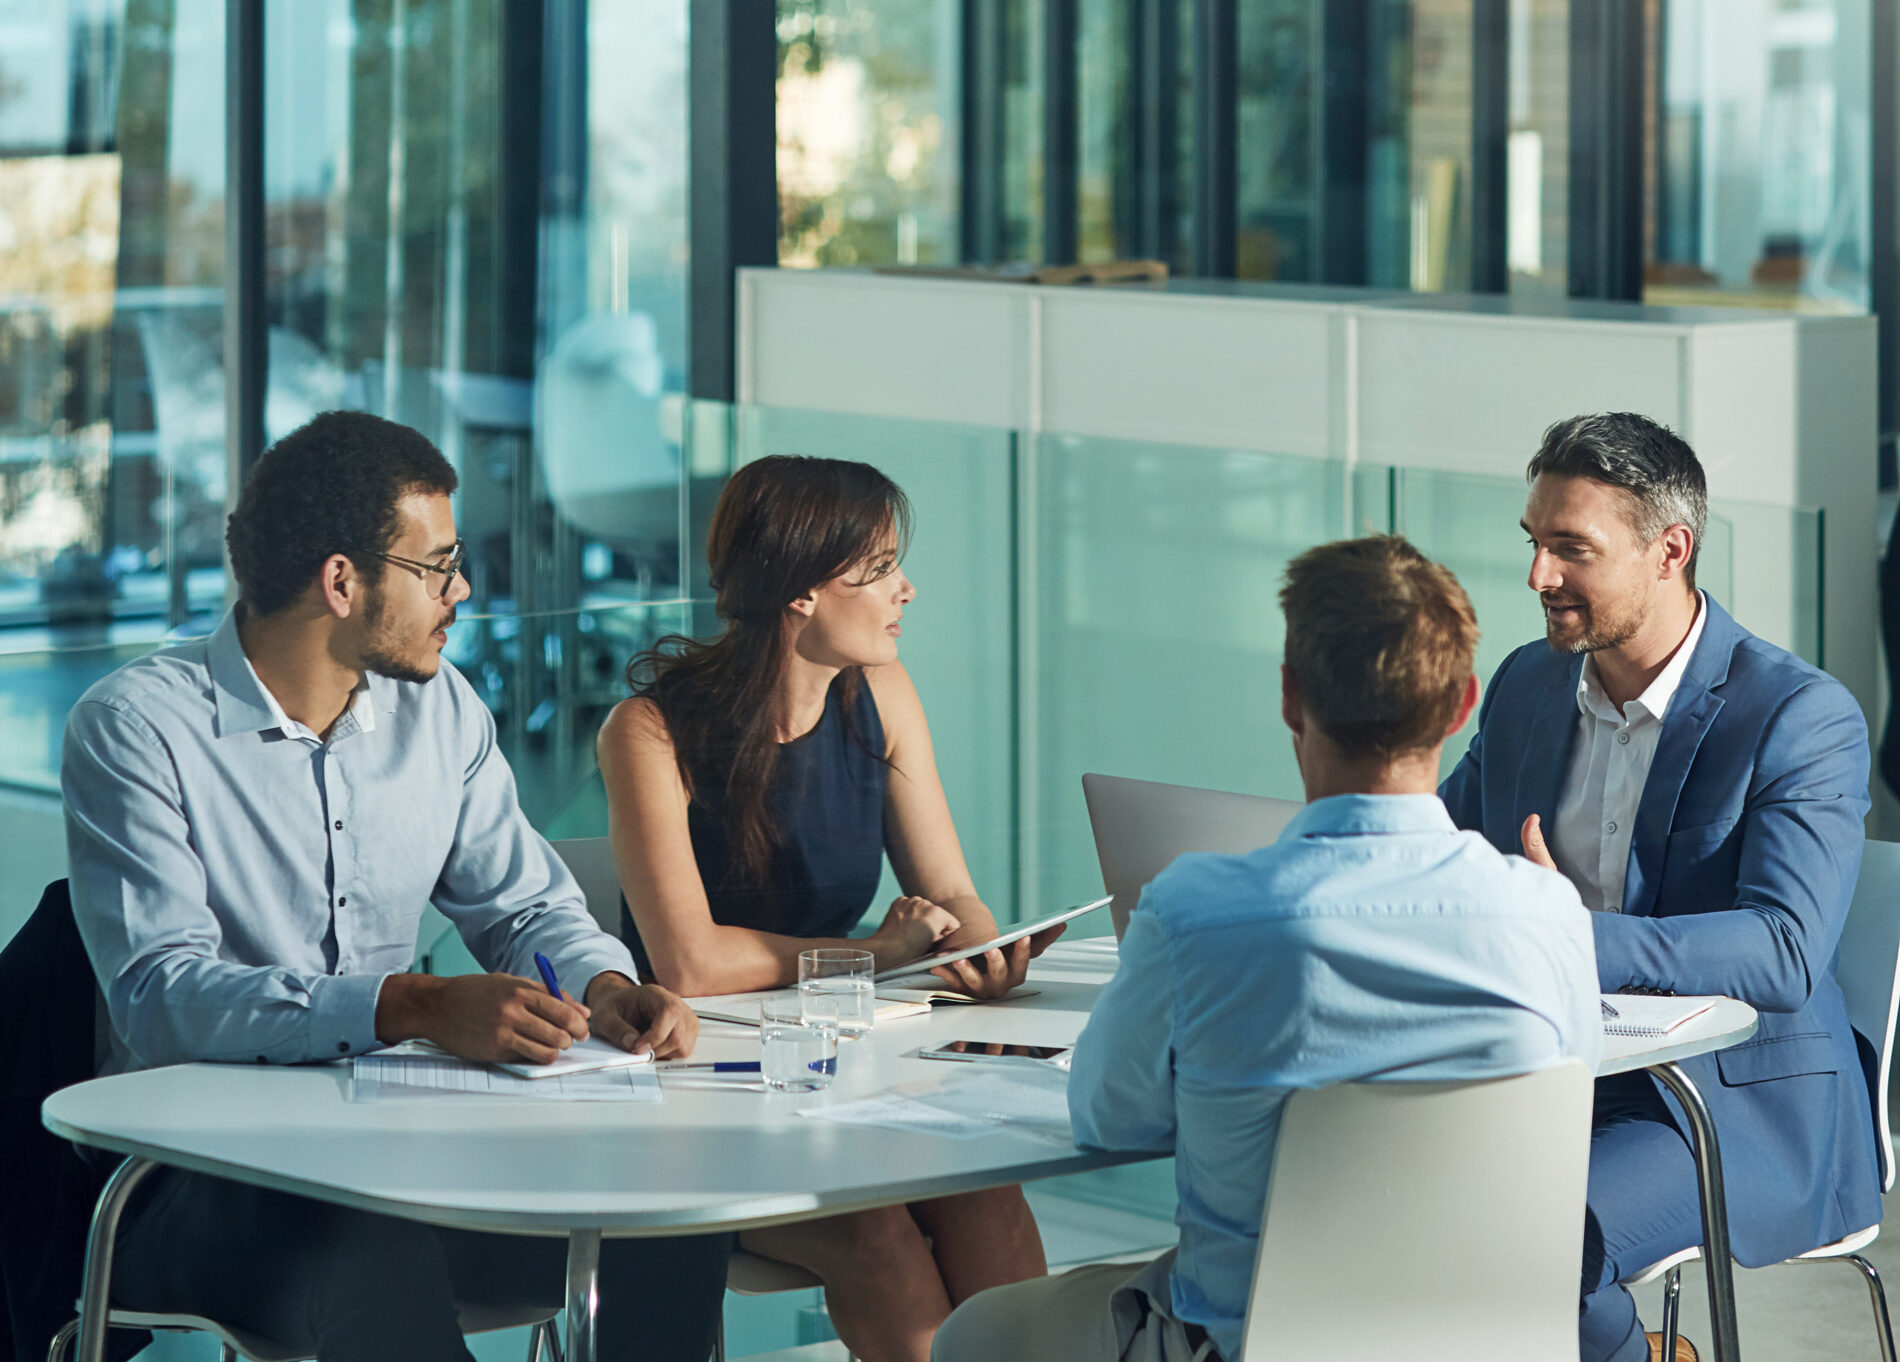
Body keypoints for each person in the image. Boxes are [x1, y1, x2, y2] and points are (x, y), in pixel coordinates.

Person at [61, 411, 731, 1362]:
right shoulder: (136, 728)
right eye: (438, 566)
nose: (461, 591)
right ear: (342, 581)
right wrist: (409, 1005)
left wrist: (605, 985)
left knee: (669, 1212)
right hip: (203, 1173)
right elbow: (160, 996)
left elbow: (525, 908)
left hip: (404, 1142)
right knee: (368, 1246)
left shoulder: (440, 708)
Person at [932, 535, 1602, 1362]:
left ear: (1291, 698)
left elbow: (1108, 1119)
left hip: (1249, 1344)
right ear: (1464, 704)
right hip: (1489, 1343)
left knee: (973, 1333)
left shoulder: (1194, 911)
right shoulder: (1548, 912)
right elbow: (1566, 1100)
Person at [597, 454, 1058, 1362]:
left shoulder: (881, 694)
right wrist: (876, 955)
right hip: (696, 1095)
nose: (905, 589)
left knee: (987, 1196)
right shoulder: (647, 731)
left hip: (840, 1068)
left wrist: (977, 950)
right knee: (875, 1234)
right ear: (801, 593)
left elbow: (951, 891)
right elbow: (690, 964)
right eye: (878, 569)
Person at [1438, 412, 1879, 1362]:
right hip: (1547, 1071)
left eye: (1572, 549)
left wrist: (1565, 934)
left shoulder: (1799, 715)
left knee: (1525, 1239)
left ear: (1669, 550)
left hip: (1726, 1106)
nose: (1538, 576)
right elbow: (1443, 854)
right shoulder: (1528, 685)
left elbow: (1784, 950)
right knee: (1357, 1198)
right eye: (1534, 542)